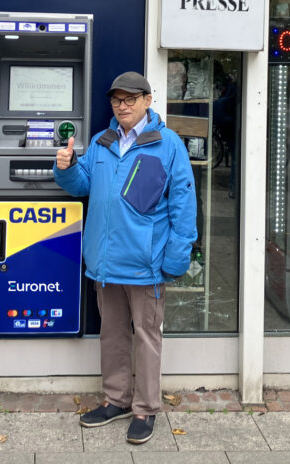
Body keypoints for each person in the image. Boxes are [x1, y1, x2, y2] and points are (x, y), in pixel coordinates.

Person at [54, 71, 197, 446]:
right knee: (112, 335)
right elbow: (81, 185)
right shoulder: (103, 143)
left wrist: (176, 257)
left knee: (146, 337)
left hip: (145, 263)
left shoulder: (168, 145)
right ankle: (116, 400)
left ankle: (145, 408)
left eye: (131, 99)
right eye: (117, 100)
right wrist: (66, 167)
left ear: (148, 101)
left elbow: (183, 206)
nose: (123, 106)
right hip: (106, 262)